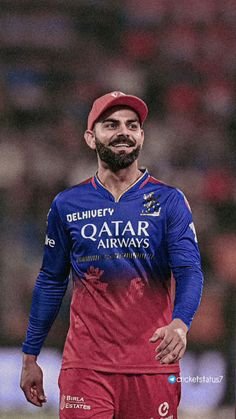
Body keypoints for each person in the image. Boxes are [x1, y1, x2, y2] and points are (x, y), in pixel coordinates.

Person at [20, 91, 204, 418]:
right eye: (111, 124)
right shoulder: (67, 204)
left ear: (142, 136)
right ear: (91, 138)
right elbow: (50, 281)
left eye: (132, 125)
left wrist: (180, 322)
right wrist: (29, 356)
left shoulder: (170, 201)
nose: (123, 131)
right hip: (86, 368)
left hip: (153, 364)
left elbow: (190, 271)